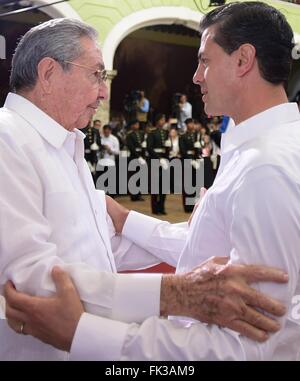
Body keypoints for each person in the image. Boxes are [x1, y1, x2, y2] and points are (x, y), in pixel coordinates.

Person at [1, 11, 293, 361]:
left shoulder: (266, 165)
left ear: (244, 60)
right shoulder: (9, 138)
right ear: (48, 74)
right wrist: (172, 292)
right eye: (96, 75)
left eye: (204, 61)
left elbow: (106, 243)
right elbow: (31, 283)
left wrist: (137, 237)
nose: (104, 92)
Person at [147, 114, 169, 215]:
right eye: (162, 119)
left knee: (164, 186)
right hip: (155, 161)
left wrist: (166, 158)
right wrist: (159, 158)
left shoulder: (166, 133)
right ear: (158, 121)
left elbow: (167, 148)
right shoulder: (152, 133)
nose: (163, 121)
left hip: (164, 161)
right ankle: (155, 209)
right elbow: (149, 148)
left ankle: (162, 207)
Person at [126, 119, 145, 201]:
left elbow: (143, 146)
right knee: (133, 177)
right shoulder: (129, 135)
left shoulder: (141, 133)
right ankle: (133, 195)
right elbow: (131, 148)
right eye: (135, 124)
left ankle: (139, 194)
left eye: (137, 124)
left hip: (140, 156)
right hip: (134, 157)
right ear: (132, 126)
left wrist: (142, 156)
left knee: (140, 176)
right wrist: (138, 157)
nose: (137, 126)